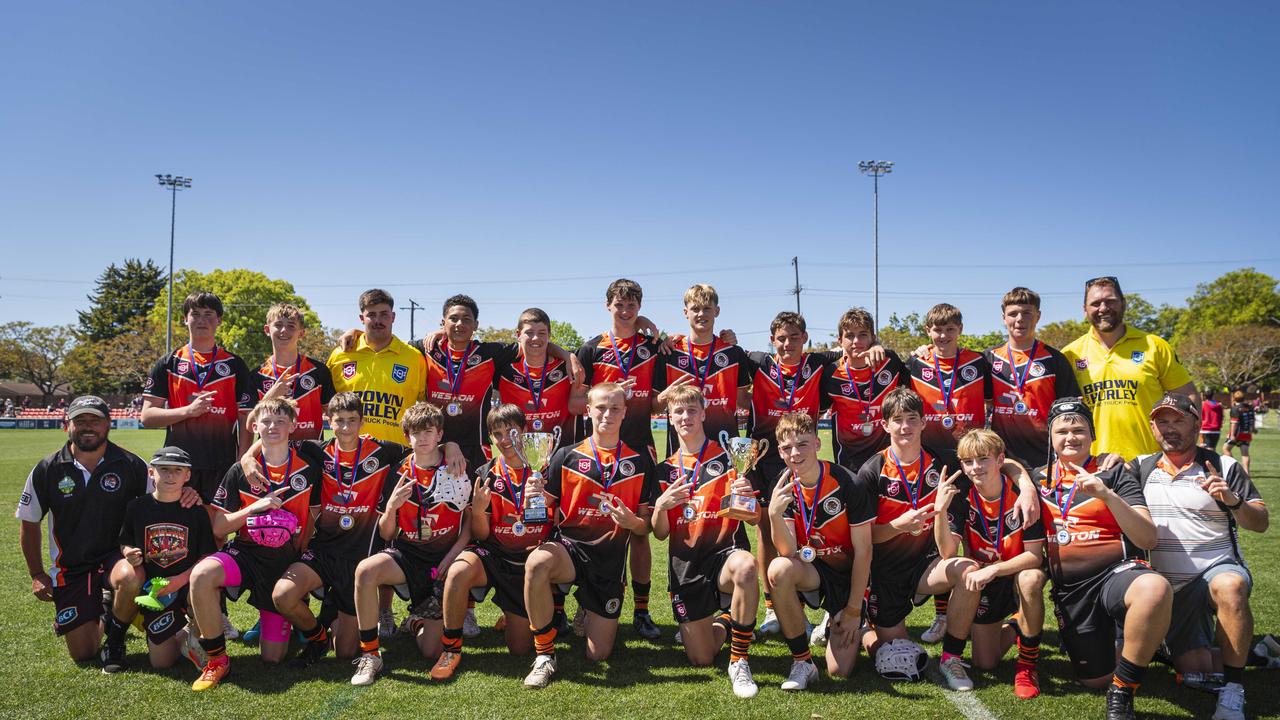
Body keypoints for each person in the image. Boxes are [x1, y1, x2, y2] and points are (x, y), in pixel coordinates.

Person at [245, 392, 410, 667]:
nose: (345, 428)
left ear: (363, 421)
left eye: (352, 421)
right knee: (282, 596)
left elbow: (423, 449)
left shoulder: (384, 451)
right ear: (329, 421)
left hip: (359, 558)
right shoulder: (315, 450)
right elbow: (269, 438)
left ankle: (332, 611)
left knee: (345, 652)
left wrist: (451, 446)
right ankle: (317, 634)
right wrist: (248, 458)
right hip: (322, 550)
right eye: (339, 421)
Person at [1032, 397, 1171, 720]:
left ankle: (1122, 691)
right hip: (1072, 591)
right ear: (1050, 439)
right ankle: (1140, 641)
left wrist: (1106, 495)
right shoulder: (1037, 478)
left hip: (1116, 575)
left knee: (1154, 588)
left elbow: (1148, 538)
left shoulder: (1114, 473)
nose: (1071, 437)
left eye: (1079, 430)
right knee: (1093, 680)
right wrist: (1024, 482)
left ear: (1092, 435)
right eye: (1062, 431)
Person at [1133, 392, 1268, 720]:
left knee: (1231, 586)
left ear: (1197, 424)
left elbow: (1260, 523)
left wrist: (1234, 501)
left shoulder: (1224, 465)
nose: (1170, 428)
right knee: (1195, 670)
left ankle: (1234, 691)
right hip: (1164, 589)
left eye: (1178, 420)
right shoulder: (1139, 467)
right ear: (1152, 428)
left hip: (1213, 572)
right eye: (1162, 421)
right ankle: (1261, 652)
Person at [520, 382, 656, 689]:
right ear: (588, 410)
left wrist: (632, 520)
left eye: (615, 408)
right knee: (537, 563)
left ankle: (586, 607)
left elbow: (646, 527)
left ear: (625, 413)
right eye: (601, 408)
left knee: (599, 655)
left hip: (609, 562)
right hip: (570, 549)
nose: (608, 414)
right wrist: (534, 497)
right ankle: (544, 654)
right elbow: (545, 511)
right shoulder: (565, 456)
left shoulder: (639, 461)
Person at [187, 397, 323, 690]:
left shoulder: (310, 466)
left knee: (272, 658)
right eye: (266, 421)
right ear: (255, 426)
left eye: (280, 421)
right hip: (246, 553)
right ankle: (216, 659)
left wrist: (301, 548)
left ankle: (300, 622)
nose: (273, 427)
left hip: (284, 562)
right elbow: (219, 527)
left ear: (293, 426)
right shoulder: (240, 470)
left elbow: (314, 515)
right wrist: (254, 508)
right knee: (202, 574)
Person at [857, 387, 982, 691]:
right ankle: (863, 628)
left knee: (968, 570)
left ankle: (951, 657)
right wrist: (898, 526)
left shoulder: (942, 468)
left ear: (924, 422)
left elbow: (949, 550)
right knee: (896, 651)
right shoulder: (871, 471)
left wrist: (939, 513)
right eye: (897, 419)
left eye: (912, 419)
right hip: (884, 573)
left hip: (927, 566)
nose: (905, 427)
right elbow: (863, 539)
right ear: (884, 424)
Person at [16, 396, 153, 665]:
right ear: (67, 424)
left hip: (116, 556)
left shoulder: (131, 464)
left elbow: (158, 505)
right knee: (83, 653)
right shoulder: (47, 469)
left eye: (95, 420)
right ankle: (105, 608)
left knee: (130, 577)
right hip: (72, 565)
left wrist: (188, 495)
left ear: (108, 424)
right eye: (80, 421)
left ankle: (115, 640)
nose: (87, 426)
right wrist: (37, 574)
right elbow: (29, 523)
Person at [347, 402, 472, 686]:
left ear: (440, 434)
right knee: (366, 570)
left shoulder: (456, 465)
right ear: (407, 437)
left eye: (429, 431)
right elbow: (385, 531)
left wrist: (452, 556)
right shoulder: (398, 471)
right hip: (407, 555)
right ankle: (370, 654)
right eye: (416, 433)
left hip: (444, 557)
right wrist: (391, 507)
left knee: (431, 650)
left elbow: (469, 526)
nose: (423, 438)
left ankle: (414, 620)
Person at [430, 404, 555, 680]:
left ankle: (514, 615)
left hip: (529, 561)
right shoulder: (486, 474)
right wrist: (478, 511)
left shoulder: (546, 469)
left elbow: (558, 521)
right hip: (495, 554)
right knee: (459, 571)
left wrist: (545, 497)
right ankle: (451, 648)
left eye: (511, 431)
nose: (505, 439)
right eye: (497, 434)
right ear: (491, 438)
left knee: (519, 648)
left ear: (523, 430)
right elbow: (482, 535)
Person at [652, 385, 760, 697]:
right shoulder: (665, 470)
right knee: (701, 658)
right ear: (669, 418)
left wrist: (744, 499)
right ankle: (727, 620)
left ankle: (739, 659)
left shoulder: (731, 458)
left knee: (747, 567)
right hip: (686, 566)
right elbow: (659, 533)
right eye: (679, 412)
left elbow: (753, 519)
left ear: (703, 413)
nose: (685, 416)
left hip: (725, 556)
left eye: (691, 410)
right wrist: (662, 505)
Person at [575, 278, 665, 641]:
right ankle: (589, 602)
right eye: (619, 305)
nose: (625, 311)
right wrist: (608, 396)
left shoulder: (651, 348)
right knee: (595, 528)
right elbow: (575, 401)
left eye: (632, 305)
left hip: (640, 450)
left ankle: (641, 611)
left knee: (638, 532)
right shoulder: (591, 348)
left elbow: (657, 400)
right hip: (599, 454)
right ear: (607, 306)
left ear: (639, 308)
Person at [765, 412, 875, 691]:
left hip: (847, 574)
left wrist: (852, 609)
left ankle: (848, 621)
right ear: (779, 451)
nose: (795, 453)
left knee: (840, 671)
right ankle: (802, 661)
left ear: (817, 443)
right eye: (787, 447)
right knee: (778, 569)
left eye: (802, 444)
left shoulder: (847, 482)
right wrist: (774, 515)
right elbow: (787, 551)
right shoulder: (782, 485)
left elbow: (864, 551)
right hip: (812, 569)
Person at [936, 429, 1047, 699]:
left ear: (1000, 461)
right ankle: (1018, 624)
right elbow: (947, 552)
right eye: (968, 462)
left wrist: (995, 568)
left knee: (1030, 579)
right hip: (986, 577)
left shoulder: (1023, 494)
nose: (976, 468)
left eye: (983, 459)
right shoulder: (962, 497)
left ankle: (1027, 663)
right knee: (986, 662)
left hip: (1018, 570)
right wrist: (940, 511)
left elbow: (1035, 556)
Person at [907, 303, 994, 643]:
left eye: (949, 330)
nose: (942, 336)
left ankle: (976, 608)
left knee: (976, 532)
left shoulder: (978, 362)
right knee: (940, 536)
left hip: (971, 460)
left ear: (960, 330)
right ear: (928, 331)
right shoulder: (915, 363)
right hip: (932, 462)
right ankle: (942, 616)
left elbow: (993, 403)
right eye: (936, 330)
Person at [745, 312, 832, 639]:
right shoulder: (756, 362)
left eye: (794, 337)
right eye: (781, 338)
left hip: (800, 456)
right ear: (772, 340)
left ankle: (800, 607)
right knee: (767, 531)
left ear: (804, 338)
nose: (787, 344)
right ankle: (772, 607)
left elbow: (856, 351)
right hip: (764, 456)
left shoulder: (820, 363)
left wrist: (878, 349)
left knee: (805, 530)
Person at [1062, 276, 1197, 459]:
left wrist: (1188, 442)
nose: (1103, 308)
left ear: (1123, 304)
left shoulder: (1155, 346)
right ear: (1085, 310)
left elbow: (1188, 396)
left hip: (1149, 463)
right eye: (1095, 303)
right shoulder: (1070, 354)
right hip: (1092, 465)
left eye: (1110, 301)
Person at [141, 291, 255, 504]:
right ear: (185, 319)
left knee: (216, 531)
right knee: (182, 526)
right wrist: (188, 411)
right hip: (179, 463)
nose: (202, 320)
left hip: (222, 463)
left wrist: (242, 459)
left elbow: (245, 418)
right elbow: (147, 416)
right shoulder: (169, 363)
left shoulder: (234, 364)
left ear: (219, 320)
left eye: (209, 314)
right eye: (195, 314)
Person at [112, 447, 218, 671]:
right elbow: (125, 541)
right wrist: (128, 553)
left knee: (204, 586)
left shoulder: (196, 512)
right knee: (161, 663)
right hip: (155, 591)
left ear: (187, 476)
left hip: (186, 584)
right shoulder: (137, 507)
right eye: (164, 470)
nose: (170, 476)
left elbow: (207, 556)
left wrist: (179, 581)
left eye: (177, 470)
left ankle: (196, 636)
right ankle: (181, 636)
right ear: (151, 473)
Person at [985, 287, 1081, 464]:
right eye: (1013, 314)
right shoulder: (989, 358)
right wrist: (928, 351)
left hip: (1046, 457)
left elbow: (1071, 410)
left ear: (1038, 316)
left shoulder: (1054, 359)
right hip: (1001, 458)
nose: (1020, 319)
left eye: (1027, 313)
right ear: (1003, 318)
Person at [327, 289, 427, 445]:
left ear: (393, 317)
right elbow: (325, 403)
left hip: (396, 454)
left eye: (384, 314)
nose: (378, 320)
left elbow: (428, 404)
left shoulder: (413, 357)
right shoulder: (341, 355)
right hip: (350, 453)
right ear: (361, 318)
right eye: (371, 315)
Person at [822, 307, 908, 473]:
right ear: (840, 340)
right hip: (848, 461)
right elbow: (818, 412)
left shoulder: (890, 363)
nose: (856, 341)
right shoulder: (830, 374)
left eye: (862, 334)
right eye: (849, 335)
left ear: (873, 338)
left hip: (888, 458)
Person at [493, 308, 583, 439]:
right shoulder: (503, 370)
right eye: (529, 332)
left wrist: (568, 355)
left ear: (549, 335)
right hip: (518, 454)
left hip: (564, 452)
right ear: (518, 335)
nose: (535, 338)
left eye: (542, 333)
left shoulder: (568, 367)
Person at [254, 302, 335, 442]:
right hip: (271, 458)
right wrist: (270, 397)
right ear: (267, 330)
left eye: (291, 326)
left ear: (301, 333)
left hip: (312, 457)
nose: (284, 330)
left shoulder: (319, 371)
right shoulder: (257, 375)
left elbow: (335, 416)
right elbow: (249, 424)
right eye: (278, 325)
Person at [1225, 390, 1256, 475]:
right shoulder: (1249, 407)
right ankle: (1246, 473)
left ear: (1234, 398)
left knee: (1226, 449)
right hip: (1247, 433)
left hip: (1237, 434)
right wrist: (1253, 428)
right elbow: (1252, 419)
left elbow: (1234, 422)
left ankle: (1235, 469)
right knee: (1245, 453)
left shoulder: (1235, 409)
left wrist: (1232, 435)